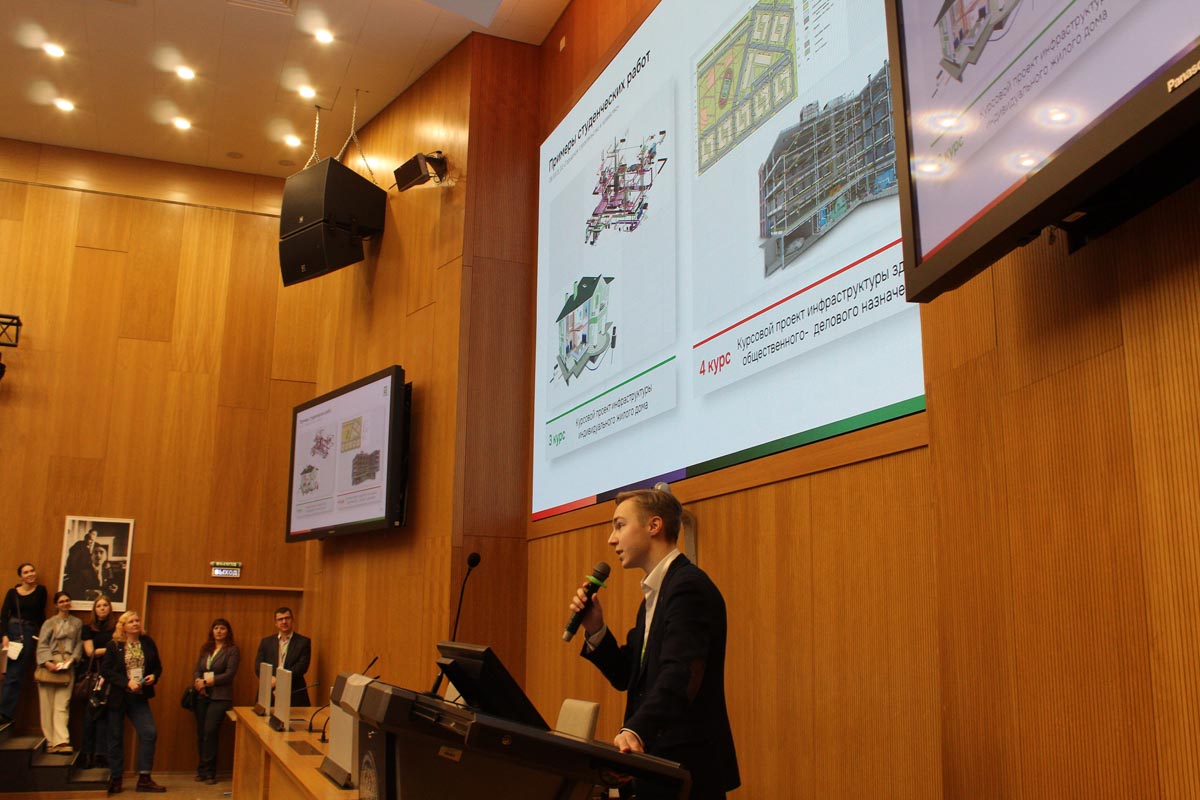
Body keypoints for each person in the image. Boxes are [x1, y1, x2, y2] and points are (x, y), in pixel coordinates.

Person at [568, 489, 740, 800]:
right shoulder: (657, 593)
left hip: (685, 770)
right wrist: (595, 628)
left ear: (654, 526)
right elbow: (627, 675)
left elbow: (680, 674)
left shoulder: (688, 588)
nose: (611, 539)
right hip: (657, 768)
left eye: (620, 525)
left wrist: (635, 731)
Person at [100, 611, 166, 794]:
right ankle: (116, 778)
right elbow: (106, 670)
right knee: (115, 738)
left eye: (137, 620)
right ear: (123, 626)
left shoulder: (147, 642)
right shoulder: (114, 645)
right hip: (118, 697)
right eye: (131, 621)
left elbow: (157, 666)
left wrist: (154, 676)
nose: (135, 623)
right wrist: (126, 682)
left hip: (139, 697)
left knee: (149, 733)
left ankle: (144, 778)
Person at [191, 618, 240, 784]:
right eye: (216, 628)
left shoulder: (232, 650)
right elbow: (197, 669)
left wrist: (207, 682)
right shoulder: (206, 649)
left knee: (210, 732)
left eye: (222, 628)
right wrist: (199, 682)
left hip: (221, 697)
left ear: (228, 632)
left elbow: (229, 674)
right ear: (212, 631)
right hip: (202, 695)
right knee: (201, 733)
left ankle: (210, 771)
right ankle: (202, 770)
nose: (219, 631)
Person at [1, 562, 49, 727]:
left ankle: (5, 713)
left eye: (32, 571)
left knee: (17, 673)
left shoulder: (40, 591)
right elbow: (3, 616)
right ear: (20, 576)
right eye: (26, 572)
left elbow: (40, 615)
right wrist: (4, 635)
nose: (30, 574)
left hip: (27, 632)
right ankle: (4, 712)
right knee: (8, 673)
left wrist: (45, 635)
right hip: (11, 631)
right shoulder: (12, 593)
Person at [36, 591, 83, 753]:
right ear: (56, 605)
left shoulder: (77, 623)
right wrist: (47, 663)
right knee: (47, 705)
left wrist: (73, 659)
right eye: (61, 601)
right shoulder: (49, 623)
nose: (65, 604)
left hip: (67, 665)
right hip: (50, 664)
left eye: (67, 600)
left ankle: (61, 740)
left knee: (62, 704)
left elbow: (79, 644)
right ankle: (49, 741)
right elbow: (42, 645)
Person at [81, 594, 117, 769]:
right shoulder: (88, 628)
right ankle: (87, 754)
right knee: (90, 716)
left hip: (110, 676)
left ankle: (101, 754)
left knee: (105, 716)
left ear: (110, 608)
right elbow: (90, 652)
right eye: (99, 606)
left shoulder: (116, 628)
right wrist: (111, 648)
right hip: (94, 675)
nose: (102, 608)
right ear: (94, 610)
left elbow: (121, 648)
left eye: (105, 605)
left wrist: (109, 650)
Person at [254, 607, 311, 706]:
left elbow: (302, 667)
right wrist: (270, 679)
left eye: (287, 618)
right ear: (276, 623)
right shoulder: (266, 642)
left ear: (292, 620)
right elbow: (258, 666)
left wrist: (279, 680)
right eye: (280, 619)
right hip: (269, 690)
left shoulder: (303, 642)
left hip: (294, 691)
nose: (284, 622)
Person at [63, 530, 99, 600]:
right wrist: (73, 572)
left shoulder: (98, 546)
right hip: (80, 573)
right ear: (86, 537)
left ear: (96, 537)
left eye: (94, 535)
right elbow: (72, 560)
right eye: (89, 538)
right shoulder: (79, 545)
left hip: (93, 574)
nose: (90, 541)